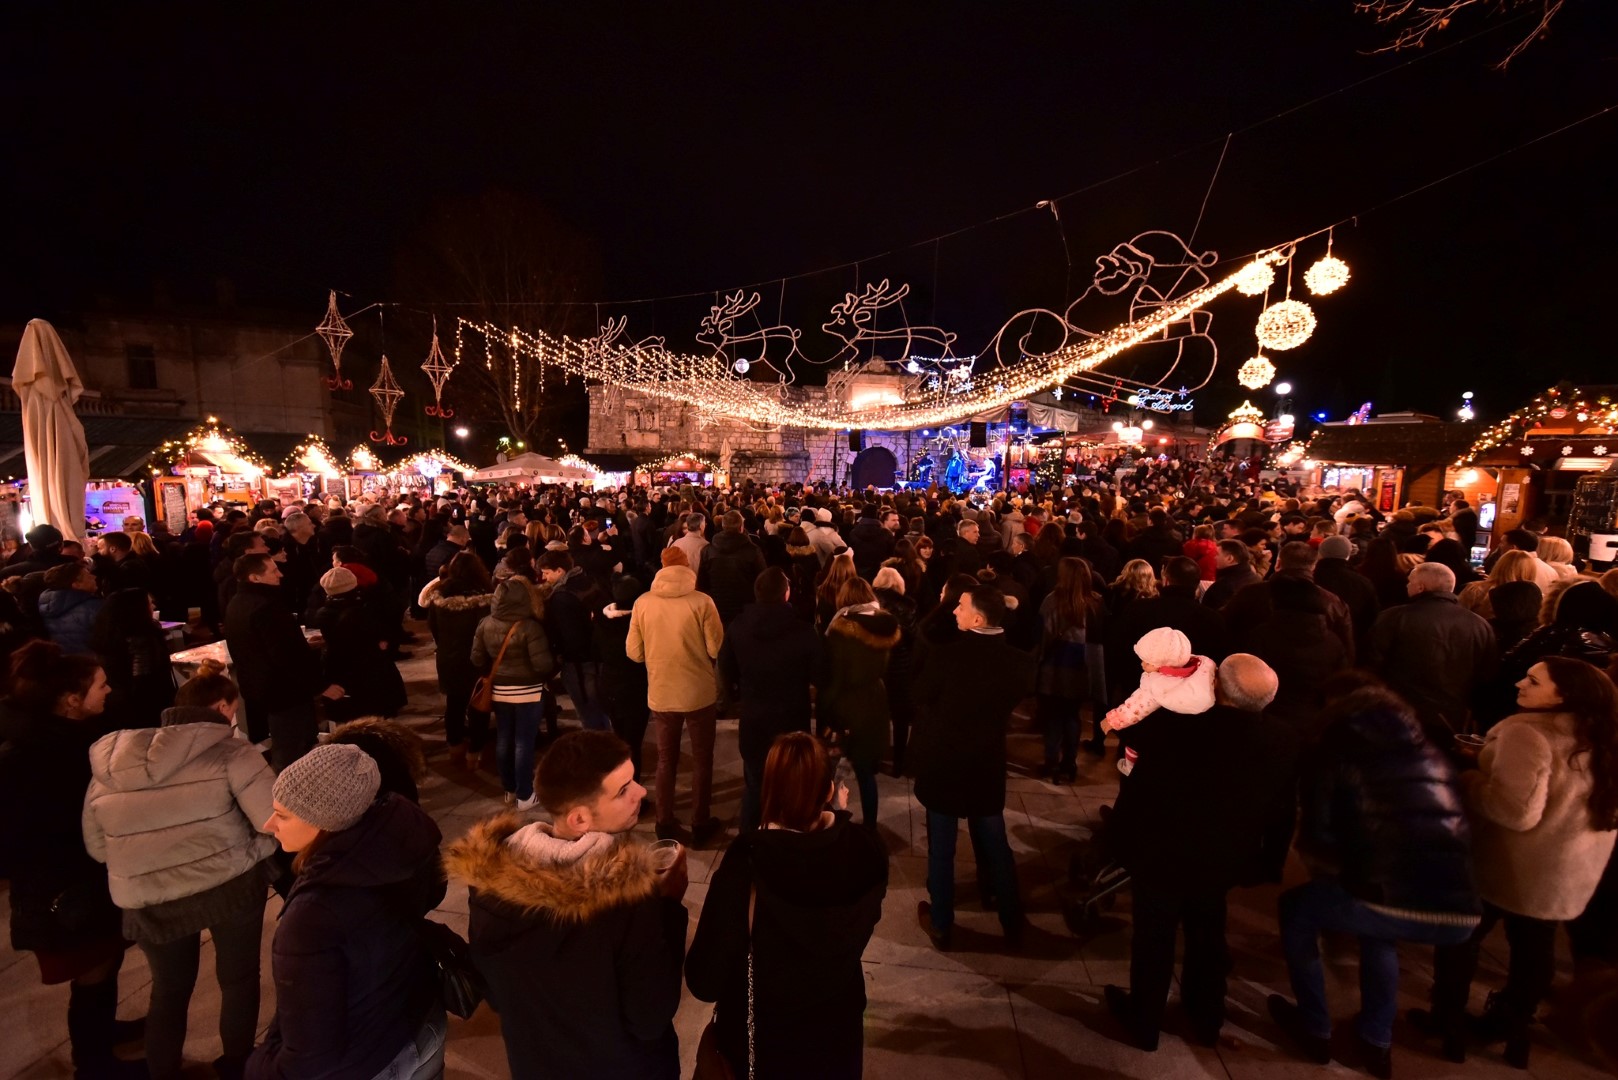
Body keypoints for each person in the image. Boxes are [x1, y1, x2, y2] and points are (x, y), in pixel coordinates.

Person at [445, 731, 688, 1080]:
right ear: (579, 819)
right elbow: (650, 1018)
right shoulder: (627, 903)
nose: (641, 792)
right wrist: (669, 908)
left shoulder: (488, 881)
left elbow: (497, 994)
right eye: (623, 790)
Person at [1267, 685, 1481, 1080]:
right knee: (1378, 932)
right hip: (1461, 911)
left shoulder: (1340, 760)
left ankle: (1314, 1026)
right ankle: (1376, 1040)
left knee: (1296, 909)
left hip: (1388, 896)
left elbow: (1318, 843)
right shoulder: (1434, 757)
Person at [1418, 658, 1618, 1068]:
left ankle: (1448, 1021)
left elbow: (1515, 811)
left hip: (1511, 867)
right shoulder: (1603, 736)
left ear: (1564, 694)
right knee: (1533, 951)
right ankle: (1512, 1029)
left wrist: (1470, 778)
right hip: (1565, 872)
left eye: (1534, 680)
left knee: (1460, 937)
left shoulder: (1527, 733)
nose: (1519, 684)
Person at [81, 663, 277, 1080]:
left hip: (150, 900)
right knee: (238, 979)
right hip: (230, 888)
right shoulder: (233, 753)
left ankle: (163, 1072)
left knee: (168, 990)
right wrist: (253, 851)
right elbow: (270, 822)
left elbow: (98, 848)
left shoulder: (113, 766)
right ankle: (237, 1066)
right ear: (222, 708)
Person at [1104, 655, 1299, 1051]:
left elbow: (1140, 789)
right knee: (1207, 932)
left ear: (1217, 686)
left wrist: (1118, 840)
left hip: (1163, 852)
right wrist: (1269, 861)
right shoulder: (1283, 740)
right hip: (1224, 856)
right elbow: (1283, 809)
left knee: (1154, 937)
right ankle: (1206, 1016)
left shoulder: (1177, 725)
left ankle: (1145, 1021)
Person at [686, 732, 889, 1079]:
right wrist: (839, 818)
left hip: (768, 1047)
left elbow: (704, 981)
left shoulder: (747, 868)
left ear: (769, 791)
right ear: (829, 790)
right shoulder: (868, 850)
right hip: (838, 1037)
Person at [250, 744, 446, 1079]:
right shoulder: (396, 841)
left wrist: (258, 1068)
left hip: (370, 1061)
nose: (269, 824)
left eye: (283, 815)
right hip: (420, 1023)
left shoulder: (310, 919)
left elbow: (308, 1058)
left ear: (324, 822)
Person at [0, 642, 143, 1079]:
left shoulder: (57, 740)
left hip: (78, 880)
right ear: (71, 700)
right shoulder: (50, 756)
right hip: (66, 888)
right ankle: (94, 1064)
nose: (109, 690)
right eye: (100, 685)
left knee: (104, 963)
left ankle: (102, 1034)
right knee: (92, 970)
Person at [912, 585, 1036, 949]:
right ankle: (1011, 919)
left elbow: (919, 694)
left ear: (978, 619)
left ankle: (941, 923)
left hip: (945, 762)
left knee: (942, 848)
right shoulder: (1018, 663)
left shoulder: (946, 656)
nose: (954, 611)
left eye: (961, 607)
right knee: (996, 844)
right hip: (985, 762)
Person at [628, 546, 726, 846]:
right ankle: (700, 822)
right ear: (687, 568)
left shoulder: (643, 602)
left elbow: (634, 652)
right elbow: (715, 647)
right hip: (698, 692)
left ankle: (664, 820)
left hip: (662, 691)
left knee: (665, 759)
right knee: (702, 759)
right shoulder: (702, 602)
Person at [718, 567, 821, 832]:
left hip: (754, 718)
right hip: (792, 719)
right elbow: (820, 675)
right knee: (792, 785)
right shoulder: (803, 631)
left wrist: (735, 698)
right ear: (786, 594)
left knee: (755, 785)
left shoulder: (738, 627)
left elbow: (725, 667)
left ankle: (750, 841)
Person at [223, 551, 330, 767]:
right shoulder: (267, 607)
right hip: (284, 691)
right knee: (292, 748)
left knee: (289, 744)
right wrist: (319, 685)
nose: (280, 574)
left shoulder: (237, 603)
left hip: (260, 687)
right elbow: (286, 656)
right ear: (255, 577)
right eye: (273, 571)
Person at [1368, 562, 1497, 741]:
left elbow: (1371, 663)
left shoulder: (1394, 617)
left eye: (1410, 581)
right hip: (1451, 717)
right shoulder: (1479, 625)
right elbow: (1486, 674)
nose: (1407, 585)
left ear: (1420, 587)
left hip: (1399, 712)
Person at [822, 577, 901, 831]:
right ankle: (870, 828)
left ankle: (829, 824)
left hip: (848, 706)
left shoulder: (841, 629)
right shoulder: (884, 626)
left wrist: (828, 715)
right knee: (866, 774)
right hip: (875, 702)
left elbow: (834, 676)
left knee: (831, 773)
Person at [471, 574, 557, 809]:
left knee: (504, 738)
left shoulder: (485, 623)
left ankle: (509, 789)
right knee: (523, 742)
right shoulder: (530, 627)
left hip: (500, 690)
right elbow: (542, 665)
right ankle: (525, 794)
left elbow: (476, 658)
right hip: (528, 692)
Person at [421, 551, 495, 770]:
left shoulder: (439, 597)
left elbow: (433, 628)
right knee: (479, 705)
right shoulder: (485, 599)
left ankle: (455, 747)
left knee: (454, 704)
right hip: (477, 660)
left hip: (449, 658)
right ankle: (475, 752)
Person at [311, 565, 408, 721]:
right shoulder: (362, 611)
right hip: (369, 669)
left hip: (338, 667)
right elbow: (380, 635)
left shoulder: (322, 614)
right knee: (376, 714)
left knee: (350, 715)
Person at [1037, 557, 1104, 778]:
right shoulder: (1095, 603)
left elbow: (1043, 635)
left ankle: (1051, 762)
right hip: (1082, 667)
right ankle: (1070, 762)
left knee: (1053, 717)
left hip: (1054, 666)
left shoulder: (1052, 601)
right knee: (1072, 715)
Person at [536, 549, 612, 732]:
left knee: (587, 710)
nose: (544, 578)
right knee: (600, 706)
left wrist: (561, 655)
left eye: (546, 573)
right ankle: (607, 739)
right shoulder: (590, 581)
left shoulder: (561, 597)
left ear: (559, 571)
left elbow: (569, 635)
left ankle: (595, 743)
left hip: (578, 664)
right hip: (599, 655)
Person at [1101, 626, 1217, 738]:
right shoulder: (1203, 665)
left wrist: (1113, 720)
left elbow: (1137, 706)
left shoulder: (1158, 684)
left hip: (1170, 725)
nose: (1142, 664)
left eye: (1148, 663)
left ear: (1164, 665)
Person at [91, 587, 176, 730]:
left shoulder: (106, 637)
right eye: (149, 603)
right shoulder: (143, 638)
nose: (154, 606)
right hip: (147, 709)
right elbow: (146, 681)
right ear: (137, 609)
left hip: (119, 707)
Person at [595, 575, 652, 782]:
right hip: (634, 690)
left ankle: (621, 784)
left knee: (620, 739)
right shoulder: (639, 622)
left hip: (608, 686)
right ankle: (630, 787)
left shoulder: (601, 619)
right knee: (632, 743)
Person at [1313, 535, 1380, 658]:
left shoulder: (1310, 577)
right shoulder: (1362, 582)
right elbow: (1371, 616)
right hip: (1350, 642)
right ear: (1348, 555)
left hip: (1311, 640)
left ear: (1320, 553)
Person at [697, 509, 767, 625]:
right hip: (745, 605)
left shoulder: (708, 550)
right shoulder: (752, 551)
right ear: (741, 527)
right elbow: (762, 580)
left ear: (723, 526)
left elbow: (702, 582)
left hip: (717, 604)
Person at [38, 560, 104, 656]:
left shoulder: (48, 606)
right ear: (76, 585)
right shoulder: (94, 606)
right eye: (88, 575)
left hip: (67, 660)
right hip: (93, 660)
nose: (94, 577)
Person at [1200, 539, 1260, 611]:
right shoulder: (1256, 578)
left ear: (1229, 559)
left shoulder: (1223, 587)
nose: (1214, 557)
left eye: (1217, 554)